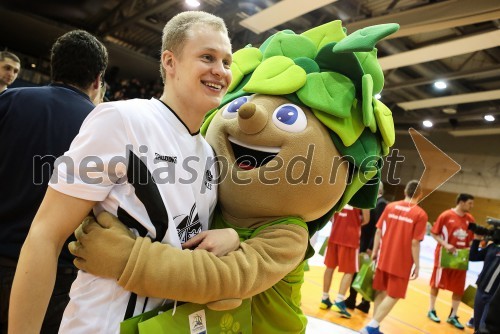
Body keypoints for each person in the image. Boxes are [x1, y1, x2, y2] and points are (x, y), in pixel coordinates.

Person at [9, 11, 236, 334]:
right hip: (101, 325)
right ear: (170, 62)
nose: (220, 71)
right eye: (207, 57)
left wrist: (231, 237)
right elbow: (45, 236)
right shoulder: (121, 119)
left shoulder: (209, 154)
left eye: (227, 62)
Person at [0, 30, 108, 334]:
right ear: (98, 79)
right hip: (55, 277)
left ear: (53, 67)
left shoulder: (9, 100)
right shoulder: (102, 125)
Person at [360, 180, 428, 334]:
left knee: (381, 291)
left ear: (405, 191)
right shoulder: (420, 214)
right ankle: (372, 326)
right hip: (402, 262)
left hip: (384, 257)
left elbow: (378, 231)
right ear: (420, 194)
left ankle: (374, 326)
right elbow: (415, 243)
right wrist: (417, 265)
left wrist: (375, 251)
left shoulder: (390, 207)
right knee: (394, 294)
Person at [427, 193, 475, 329]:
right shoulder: (446, 215)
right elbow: (433, 233)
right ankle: (431, 309)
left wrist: (471, 247)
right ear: (461, 202)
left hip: (461, 258)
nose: (472, 206)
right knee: (435, 284)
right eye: (470, 203)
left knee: (459, 288)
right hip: (444, 256)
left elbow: (471, 239)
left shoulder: (470, 219)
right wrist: (446, 244)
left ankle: (453, 316)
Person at [320, 205, 369, 318]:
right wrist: (352, 222)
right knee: (350, 271)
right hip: (350, 237)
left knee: (329, 267)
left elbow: (330, 215)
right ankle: (339, 301)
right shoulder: (361, 194)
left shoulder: (342, 190)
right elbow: (366, 219)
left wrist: (340, 221)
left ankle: (324, 298)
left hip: (334, 234)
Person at [345, 182, 388, 313]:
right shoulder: (374, 202)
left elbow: (377, 228)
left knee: (365, 273)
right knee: (358, 270)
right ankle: (353, 299)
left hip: (368, 244)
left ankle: (364, 302)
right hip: (363, 241)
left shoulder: (381, 203)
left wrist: (371, 247)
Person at [469, 230, 500, 333]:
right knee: (477, 326)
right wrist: (476, 239)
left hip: (494, 297)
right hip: (481, 290)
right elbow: (473, 256)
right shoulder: (493, 248)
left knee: (484, 328)